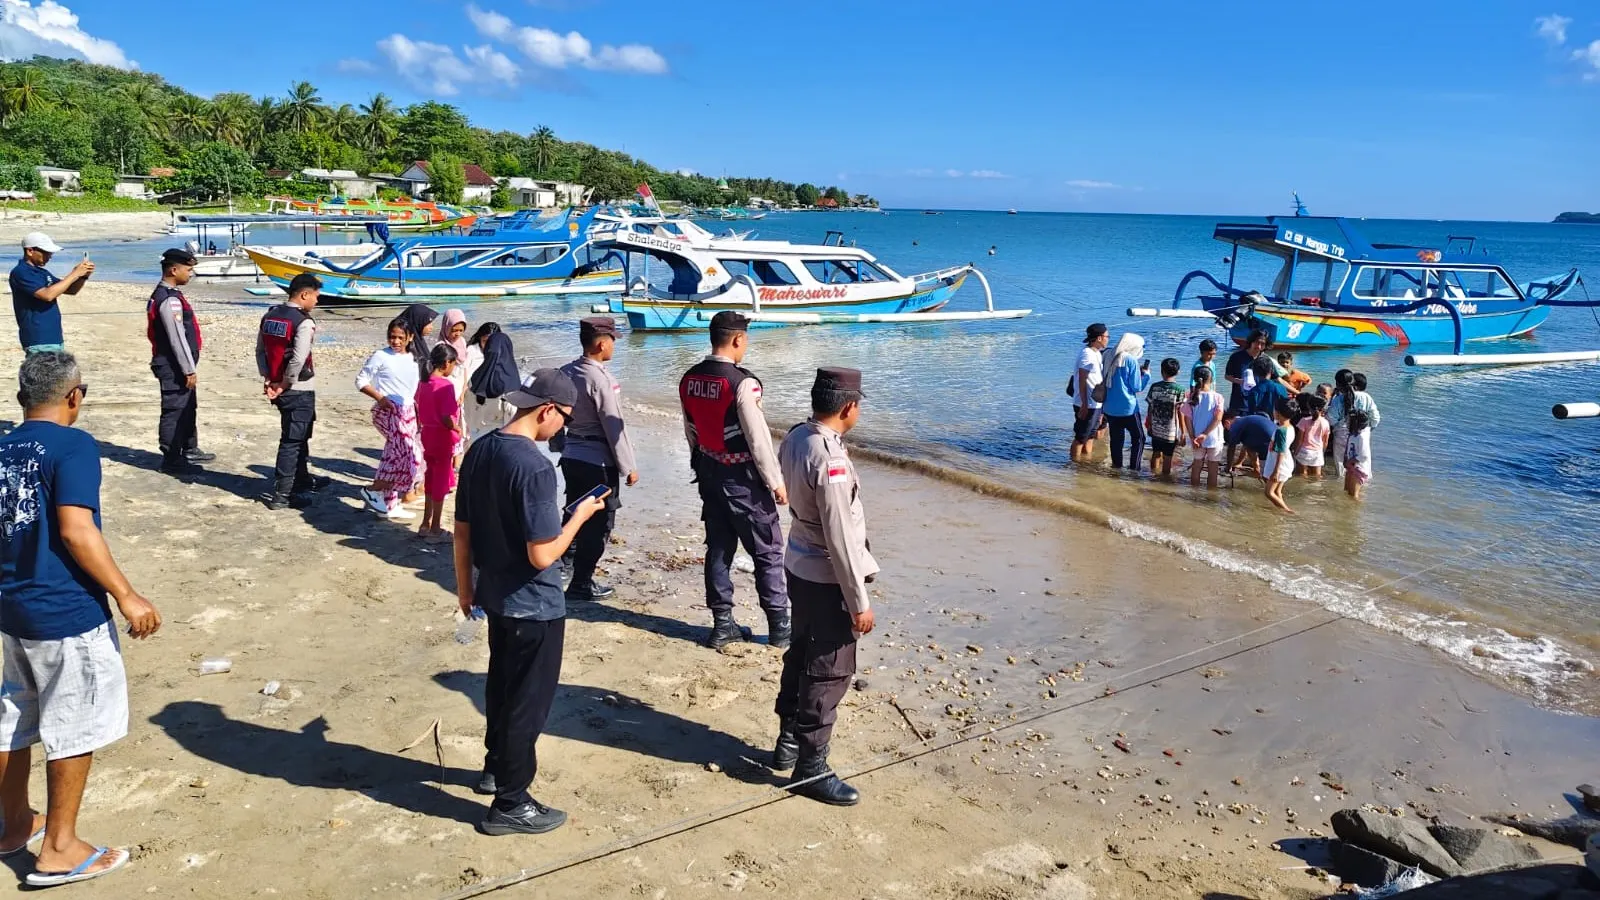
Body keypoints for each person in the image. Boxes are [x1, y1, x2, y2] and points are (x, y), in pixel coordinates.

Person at [0, 351, 162, 888]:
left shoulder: (3, 447)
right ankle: (59, 847)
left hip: (13, 608)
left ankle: (13, 823)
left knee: (14, 716)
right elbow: (76, 529)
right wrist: (127, 595)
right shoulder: (73, 445)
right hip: (64, 610)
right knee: (73, 723)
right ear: (74, 396)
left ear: (23, 398)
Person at [453, 369, 607, 837]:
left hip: (494, 595)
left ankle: (495, 769)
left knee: (501, 687)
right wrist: (579, 517)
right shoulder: (534, 467)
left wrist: (465, 590)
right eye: (565, 419)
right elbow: (542, 554)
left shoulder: (481, 448)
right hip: (534, 604)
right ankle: (511, 802)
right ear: (547, 411)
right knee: (527, 703)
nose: (563, 428)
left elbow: (461, 531)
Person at [773, 367, 876, 806]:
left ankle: (788, 740)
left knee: (801, 652)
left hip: (799, 560)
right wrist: (858, 601)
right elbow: (840, 537)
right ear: (849, 407)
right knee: (829, 668)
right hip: (825, 573)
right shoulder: (829, 457)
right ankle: (810, 767)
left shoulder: (797, 436)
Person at [679, 311, 790, 650]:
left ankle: (722, 623)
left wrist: (701, 464)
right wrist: (775, 481)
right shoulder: (742, 383)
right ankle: (780, 628)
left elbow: (691, 430)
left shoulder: (689, 378)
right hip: (743, 480)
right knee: (767, 551)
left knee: (718, 548)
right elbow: (758, 439)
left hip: (709, 472)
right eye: (746, 340)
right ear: (738, 339)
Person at [558, 317, 639, 603]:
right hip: (598, 462)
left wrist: (560, 445)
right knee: (599, 524)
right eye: (613, 340)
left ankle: (562, 567)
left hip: (571, 455)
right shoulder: (602, 380)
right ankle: (582, 582)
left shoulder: (565, 372)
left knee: (573, 513)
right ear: (602, 344)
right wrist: (628, 466)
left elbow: (555, 414)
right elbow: (613, 426)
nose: (614, 346)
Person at [256, 273, 326, 510]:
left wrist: (269, 378)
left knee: (301, 435)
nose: (317, 301)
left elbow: (261, 351)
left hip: (279, 385)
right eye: (316, 296)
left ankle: (302, 479)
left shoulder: (270, 315)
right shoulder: (303, 322)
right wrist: (284, 383)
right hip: (297, 388)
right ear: (304, 295)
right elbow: (298, 359)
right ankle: (283, 494)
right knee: (292, 441)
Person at [146, 248, 214, 475]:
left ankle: (189, 448)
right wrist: (188, 369)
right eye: (188, 269)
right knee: (174, 409)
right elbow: (177, 338)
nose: (191, 274)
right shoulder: (168, 299)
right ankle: (172, 459)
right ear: (174, 270)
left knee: (188, 406)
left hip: (177, 364)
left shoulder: (169, 294)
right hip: (173, 365)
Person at [356, 318, 423, 522]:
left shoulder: (414, 358)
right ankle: (372, 490)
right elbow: (361, 381)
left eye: (400, 337)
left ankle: (389, 504)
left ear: (410, 337)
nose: (396, 341)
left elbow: (413, 388)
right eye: (392, 337)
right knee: (410, 456)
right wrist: (380, 398)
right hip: (389, 410)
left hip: (408, 411)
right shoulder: (381, 356)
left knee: (393, 456)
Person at [9, 233, 92, 355]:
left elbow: (70, 290)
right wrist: (74, 274)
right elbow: (47, 295)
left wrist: (83, 276)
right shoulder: (21, 272)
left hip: (53, 337)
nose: (50, 256)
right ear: (30, 251)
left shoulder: (42, 273)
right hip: (38, 338)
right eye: (46, 252)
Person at [416, 343, 462, 539]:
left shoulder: (424, 383)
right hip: (441, 436)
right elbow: (446, 417)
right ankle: (435, 526)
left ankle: (425, 523)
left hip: (427, 433)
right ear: (447, 363)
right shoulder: (445, 385)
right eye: (454, 364)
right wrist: (456, 428)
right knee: (441, 481)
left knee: (430, 476)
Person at [1101, 333, 1150, 471]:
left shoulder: (1107, 354)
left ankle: (1116, 468)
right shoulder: (1130, 360)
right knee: (1139, 438)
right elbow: (1137, 387)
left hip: (1109, 407)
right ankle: (1134, 469)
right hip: (1128, 408)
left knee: (1116, 440)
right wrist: (1146, 375)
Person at [465, 331, 518, 445]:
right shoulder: (510, 380)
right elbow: (513, 418)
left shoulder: (476, 376)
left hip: (475, 438)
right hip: (497, 441)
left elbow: (468, 411)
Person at [1327, 369, 1381, 477]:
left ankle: (1341, 485)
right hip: (1362, 434)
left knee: (1341, 468)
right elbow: (1375, 419)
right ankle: (1363, 485)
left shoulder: (1338, 399)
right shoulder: (1366, 397)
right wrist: (1367, 428)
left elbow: (1331, 419)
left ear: (1337, 384)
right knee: (1363, 466)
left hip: (1342, 434)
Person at [1070, 323, 1110, 462]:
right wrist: (1084, 404)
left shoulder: (1096, 353)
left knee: (1091, 435)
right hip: (1086, 403)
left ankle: (1086, 463)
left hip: (1095, 402)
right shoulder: (1087, 354)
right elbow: (1082, 379)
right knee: (1081, 437)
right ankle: (1075, 464)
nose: (1108, 339)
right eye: (1107, 336)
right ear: (1099, 338)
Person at [1145, 358, 1186, 478]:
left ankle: (1153, 476)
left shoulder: (1154, 387)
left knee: (1156, 453)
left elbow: (1150, 407)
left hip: (1156, 427)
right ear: (1178, 372)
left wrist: (1149, 424)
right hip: (1170, 431)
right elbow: (1180, 412)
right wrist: (1183, 432)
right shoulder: (1179, 390)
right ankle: (1165, 479)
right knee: (1168, 456)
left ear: (1161, 371)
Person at [1187, 368, 1225, 488]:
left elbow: (1188, 419)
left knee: (1197, 465)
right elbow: (1218, 418)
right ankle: (1211, 496)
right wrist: (1205, 434)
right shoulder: (1218, 397)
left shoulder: (1191, 396)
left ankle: (1194, 493)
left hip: (1196, 438)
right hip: (1214, 438)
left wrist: (1192, 436)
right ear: (1211, 379)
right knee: (1213, 469)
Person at [1262, 398, 1296, 514]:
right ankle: (1282, 513)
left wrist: (1276, 471)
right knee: (1277, 492)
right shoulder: (1289, 427)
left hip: (1280, 465)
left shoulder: (1281, 431)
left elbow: (1281, 451)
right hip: (1285, 463)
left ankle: (1288, 512)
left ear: (1278, 413)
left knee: (1268, 492)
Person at [1224, 329, 1268, 413]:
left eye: (1262, 344)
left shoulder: (1265, 359)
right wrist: (1239, 381)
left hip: (1258, 403)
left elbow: (1273, 378)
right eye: (1257, 342)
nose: (1259, 346)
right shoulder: (1236, 357)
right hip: (1239, 403)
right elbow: (1227, 376)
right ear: (1251, 341)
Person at [399, 304, 439, 380]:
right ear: (418, 322)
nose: (431, 327)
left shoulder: (419, 341)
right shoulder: (407, 348)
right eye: (428, 323)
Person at [1227, 411, 1274, 475]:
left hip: (1268, 443)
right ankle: (1256, 469)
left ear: (1227, 422)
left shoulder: (1235, 425)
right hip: (1276, 435)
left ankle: (1258, 471)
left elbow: (1231, 448)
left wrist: (1228, 468)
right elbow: (1246, 446)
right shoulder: (1245, 421)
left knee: (1266, 475)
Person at [1294, 394, 1329, 480]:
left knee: (1301, 477)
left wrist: (1295, 452)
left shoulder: (1304, 421)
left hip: (1304, 451)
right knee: (1316, 478)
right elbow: (1325, 442)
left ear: (1308, 406)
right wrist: (1322, 452)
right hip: (1317, 453)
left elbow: (1299, 440)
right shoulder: (1325, 423)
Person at [1344, 410, 1372, 501]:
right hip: (1351, 467)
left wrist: (1350, 461)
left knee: (1353, 496)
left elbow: (1364, 455)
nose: (1347, 422)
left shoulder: (1362, 437)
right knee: (1347, 492)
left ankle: (1356, 509)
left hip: (1359, 469)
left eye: (1349, 420)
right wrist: (1346, 459)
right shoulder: (1352, 435)